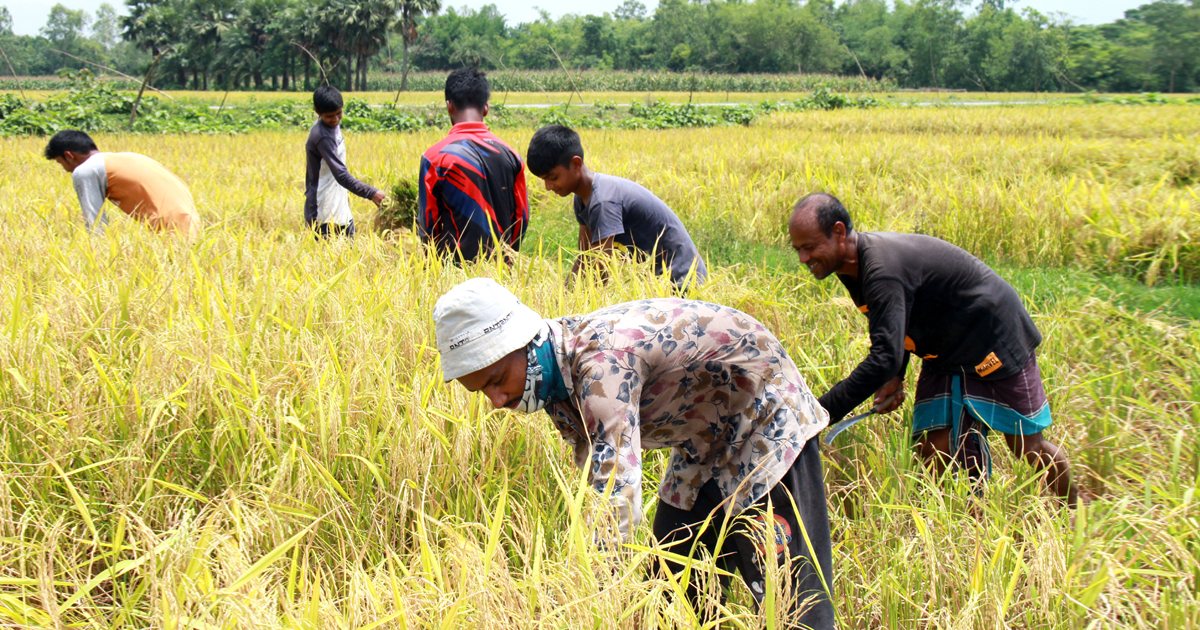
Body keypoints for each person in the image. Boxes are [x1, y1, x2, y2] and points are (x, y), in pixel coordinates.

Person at [433, 278, 834, 628]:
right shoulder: (551, 384)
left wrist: (593, 595)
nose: (496, 400)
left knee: (789, 598)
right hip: (703, 435)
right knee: (674, 582)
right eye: (481, 391)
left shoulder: (601, 367)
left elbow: (616, 496)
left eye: (498, 379)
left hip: (763, 413)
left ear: (525, 343)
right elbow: (593, 479)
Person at [788, 192, 1088, 507]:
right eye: (798, 249)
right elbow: (896, 323)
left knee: (1027, 446)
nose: (803, 258)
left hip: (994, 337)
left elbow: (883, 358)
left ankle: (1075, 511)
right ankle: (962, 524)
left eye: (810, 247)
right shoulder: (851, 267)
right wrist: (896, 374)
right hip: (945, 349)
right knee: (934, 447)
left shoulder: (881, 269)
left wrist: (817, 416)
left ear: (838, 232)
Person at [525, 124, 707, 289]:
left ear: (576, 164)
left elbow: (601, 268)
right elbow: (586, 257)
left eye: (553, 177)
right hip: (656, 283)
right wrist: (564, 295)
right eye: (544, 180)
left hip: (681, 281)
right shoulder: (582, 198)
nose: (548, 187)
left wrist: (577, 304)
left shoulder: (603, 201)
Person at [418, 68, 528, 262]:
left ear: (449, 106)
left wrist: (432, 265)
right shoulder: (512, 156)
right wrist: (508, 258)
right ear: (486, 108)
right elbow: (521, 218)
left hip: (453, 270)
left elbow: (428, 224)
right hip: (500, 268)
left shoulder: (434, 159)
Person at [44, 129, 200, 237]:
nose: (66, 170)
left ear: (69, 155)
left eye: (60, 162)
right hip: (193, 224)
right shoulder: (131, 156)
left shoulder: (86, 170)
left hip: (167, 230)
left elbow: (95, 224)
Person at [305, 85, 386, 239]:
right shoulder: (322, 136)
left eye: (339, 113)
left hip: (338, 200)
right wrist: (372, 193)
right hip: (324, 209)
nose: (335, 119)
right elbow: (341, 175)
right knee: (330, 251)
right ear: (317, 112)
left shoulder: (330, 125)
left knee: (350, 247)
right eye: (330, 116)